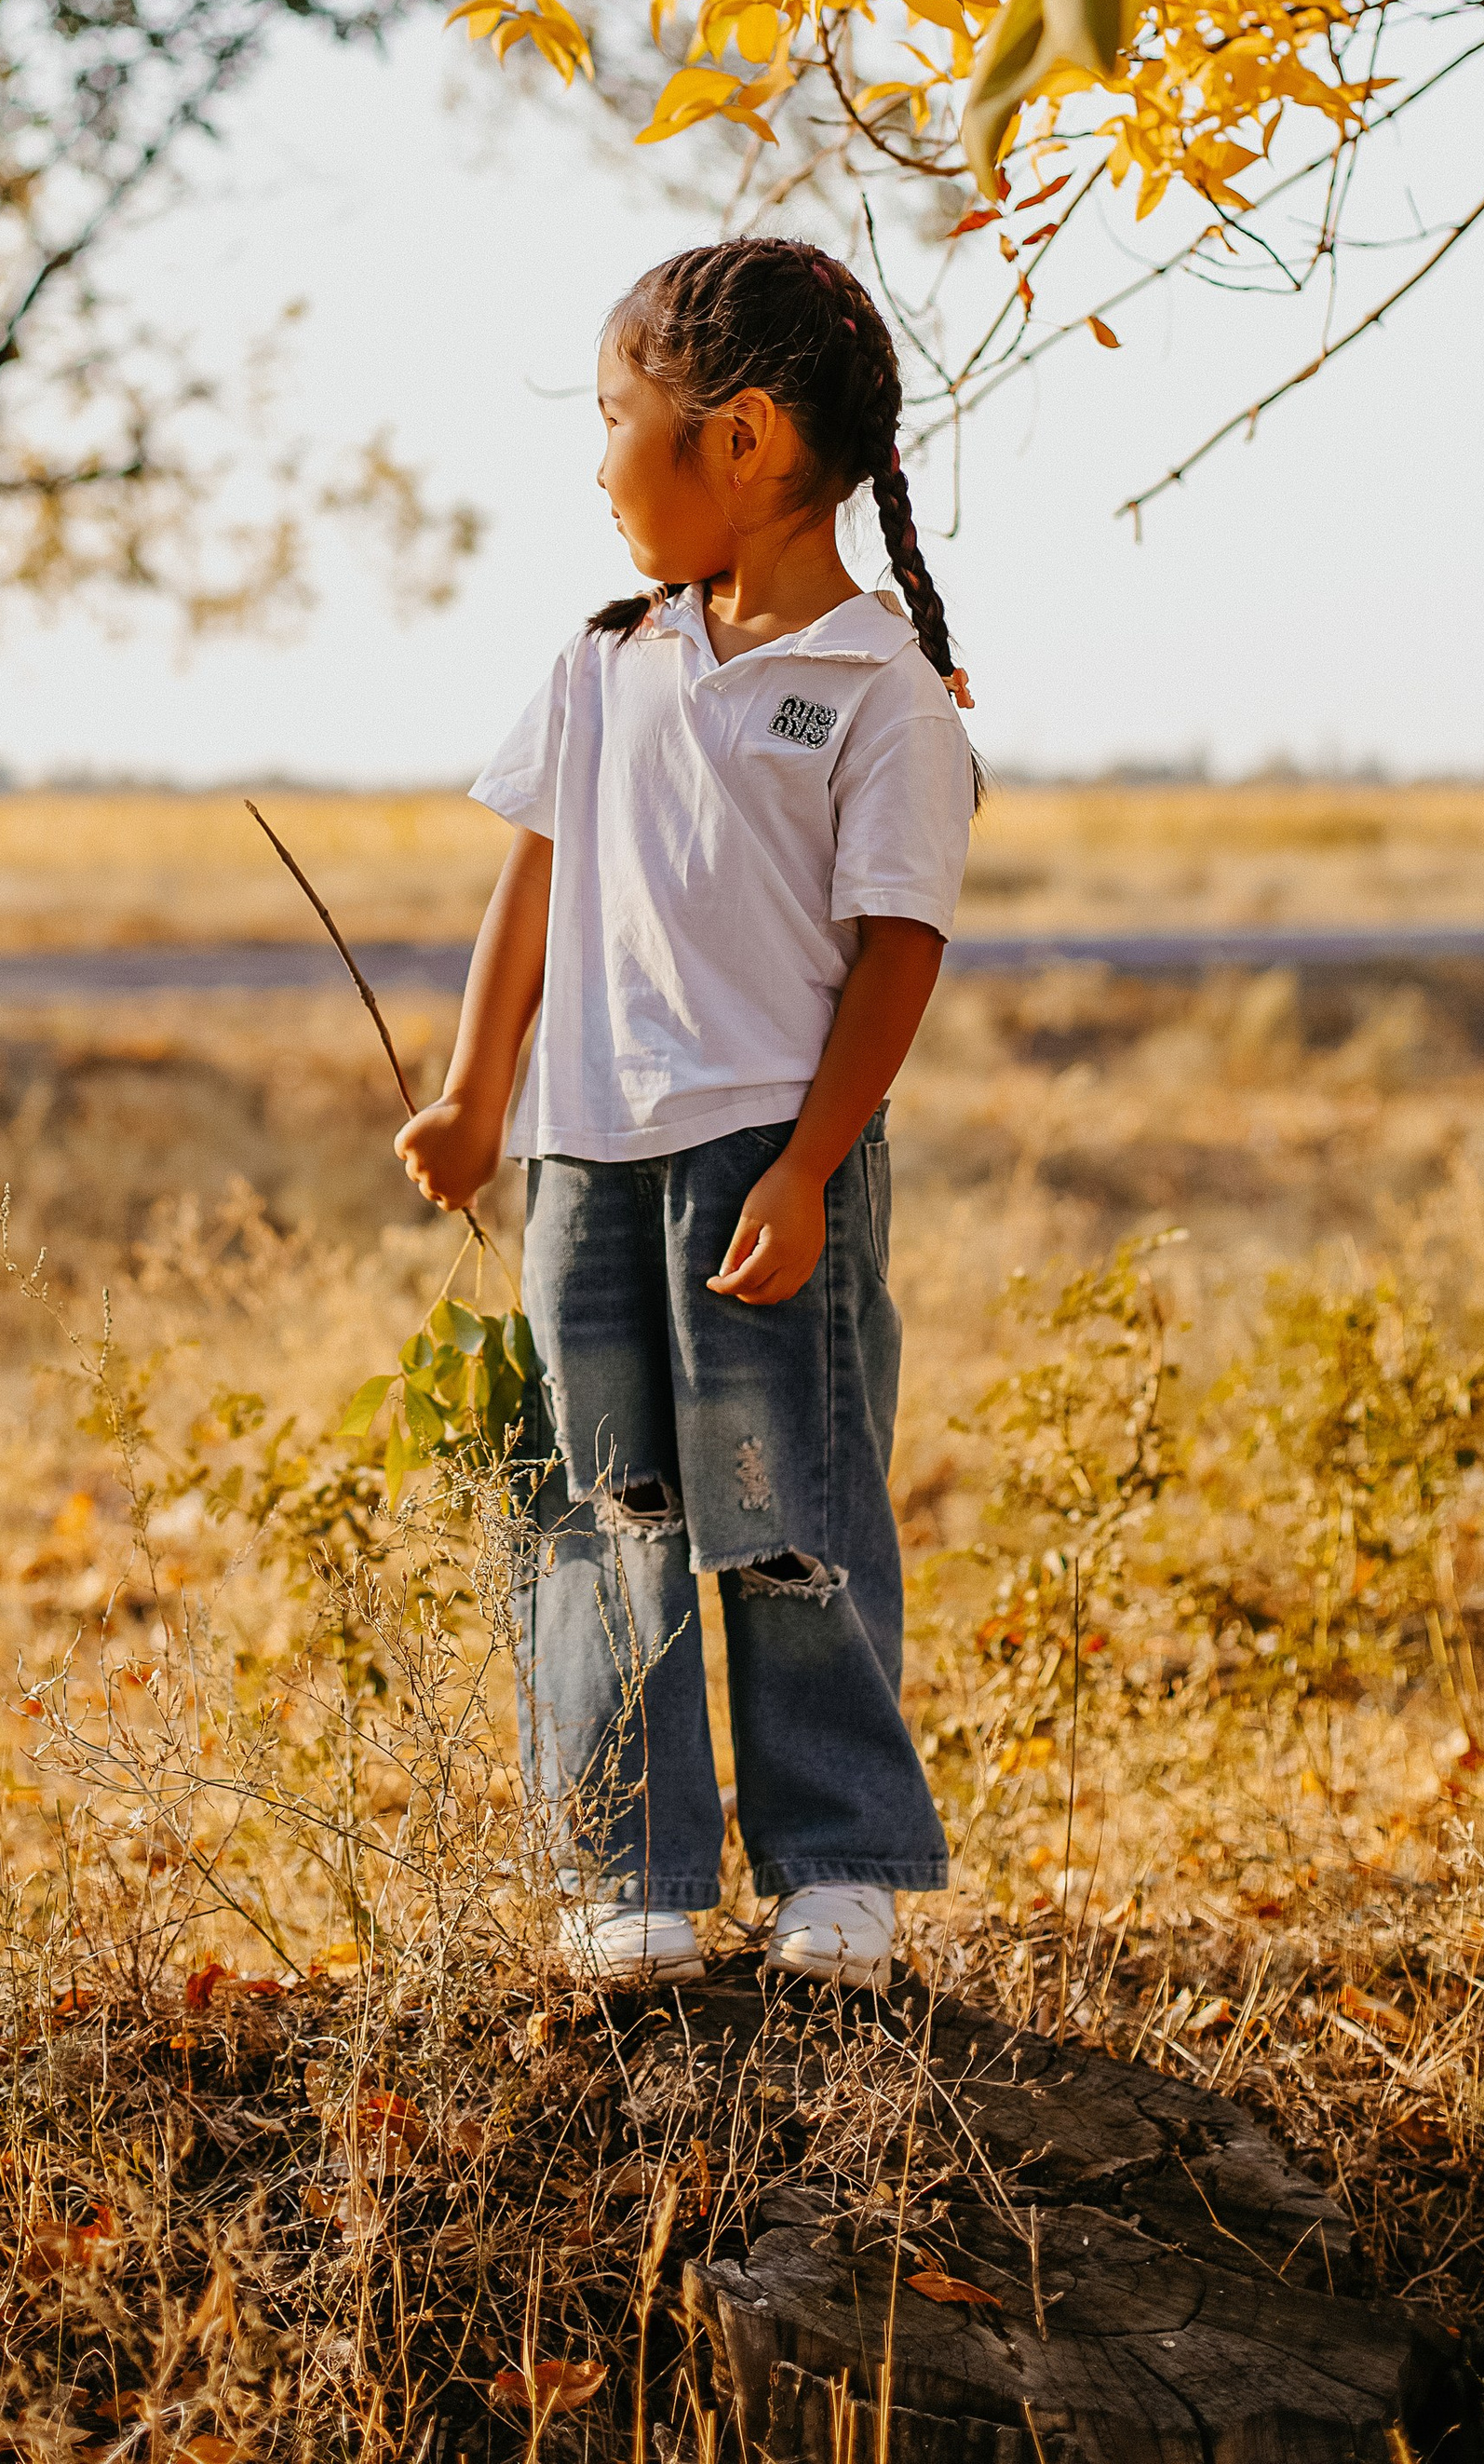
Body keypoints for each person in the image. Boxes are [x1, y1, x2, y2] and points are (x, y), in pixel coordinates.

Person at [396, 237, 980, 1992]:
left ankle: (837, 1867)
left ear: (735, 441)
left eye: (614, 419)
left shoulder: (884, 694)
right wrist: (476, 1092)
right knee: (600, 1506)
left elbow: (898, 952)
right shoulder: (602, 660)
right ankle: (623, 1878)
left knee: (783, 1499)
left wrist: (809, 1165)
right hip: (588, 1155)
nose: (596, 463)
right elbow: (534, 881)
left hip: (762, 1165)